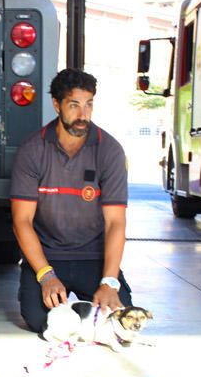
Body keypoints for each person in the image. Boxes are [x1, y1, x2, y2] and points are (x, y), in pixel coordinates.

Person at [10, 68, 132, 333]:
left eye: (88, 104)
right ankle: (76, 313)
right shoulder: (33, 150)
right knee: (38, 320)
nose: (83, 114)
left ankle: (84, 312)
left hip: (93, 256)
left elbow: (115, 223)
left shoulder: (109, 150)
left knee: (118, 319)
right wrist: (45, 275)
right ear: (57, 105)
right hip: (48, 257)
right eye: (74, 105)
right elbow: (22, 220)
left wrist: (109, 281)